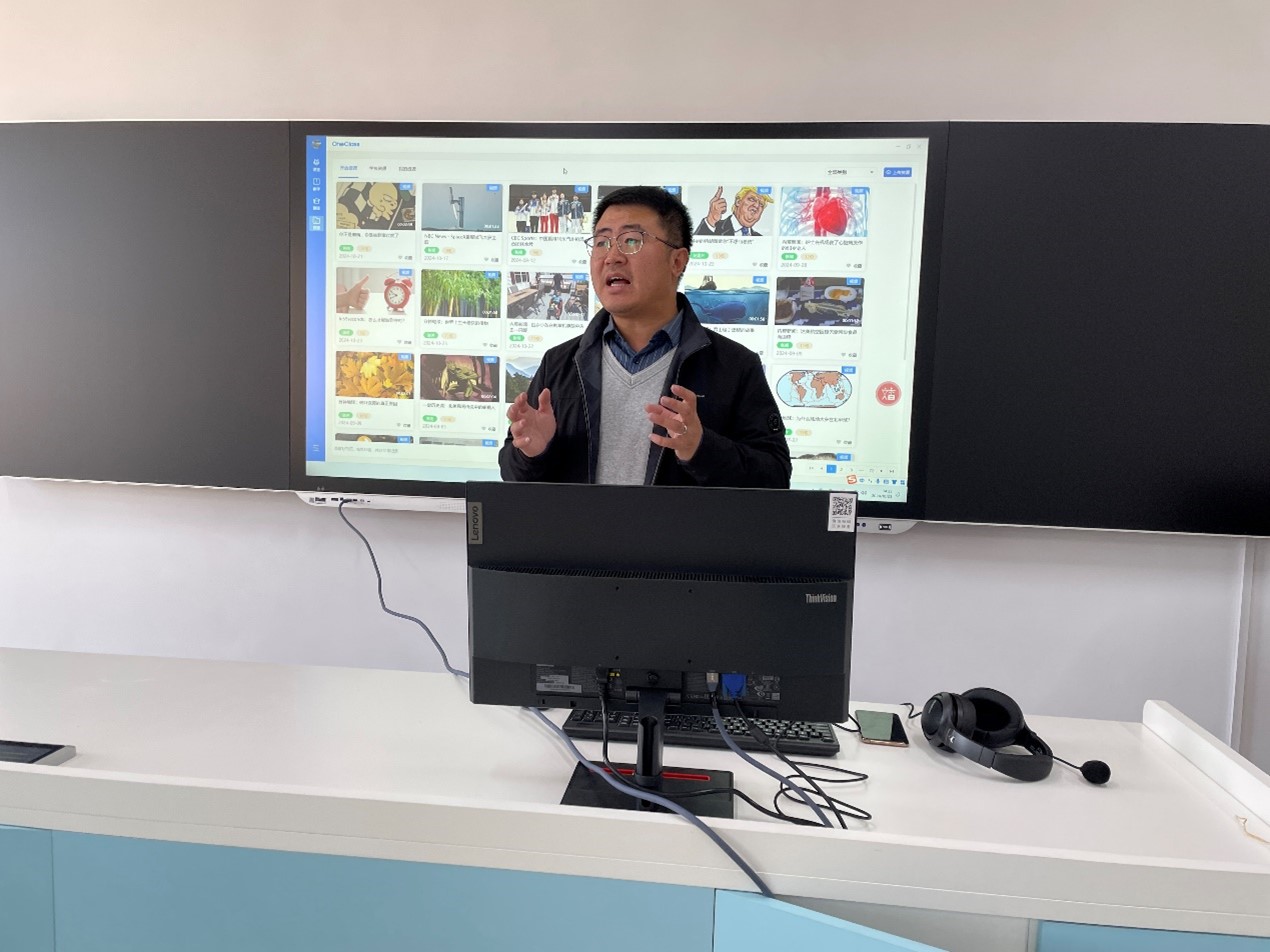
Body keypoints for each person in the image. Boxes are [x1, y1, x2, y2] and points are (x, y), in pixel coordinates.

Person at [500, 185, 790, 487]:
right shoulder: (560, 362)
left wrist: (700, 448)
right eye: (602, 242)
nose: (612, 257)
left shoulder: (735, 365)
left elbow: (775, 477)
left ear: (677, 261)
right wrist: (533, 453)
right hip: (582, 521)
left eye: (631, 240)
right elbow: (512, 474)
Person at [694, 185, 773, 237]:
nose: (756, 206)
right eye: (752, 199)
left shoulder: (759, 238)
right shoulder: (714, 227)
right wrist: (711, 219)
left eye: (761, 204)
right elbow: (693, 247)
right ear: (738, 202)